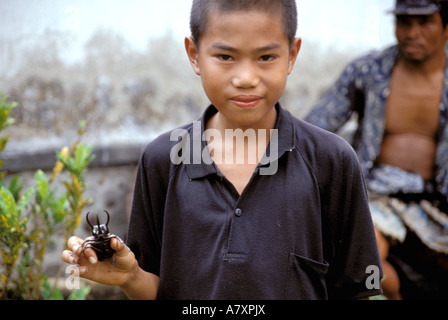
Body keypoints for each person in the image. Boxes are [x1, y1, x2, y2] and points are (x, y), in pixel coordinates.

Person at [62, 0, 382, 300]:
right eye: (225, 57)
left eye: (266, 57)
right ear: (194, 55)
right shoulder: (161, 160)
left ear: (292, 54)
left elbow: (357, 288)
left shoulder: (331, 160)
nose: (245, 78)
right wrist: (130, 278)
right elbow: (158, 286)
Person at [305, 0, 448, 300]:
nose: (412, 32)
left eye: (424, 23)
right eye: (404, 23)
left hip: (437, 201)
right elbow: (315, 128)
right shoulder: (369, 70)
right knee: (364, 258)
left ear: (446, 28)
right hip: (374, 194)